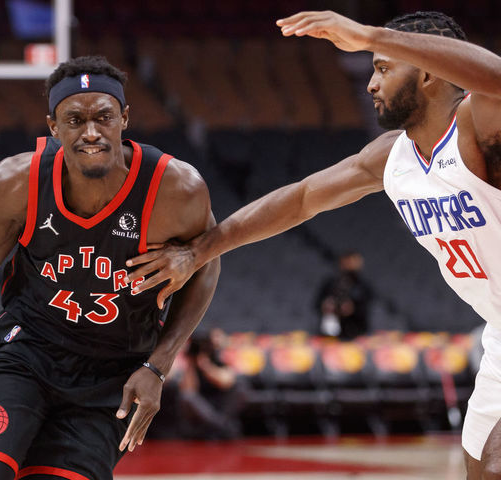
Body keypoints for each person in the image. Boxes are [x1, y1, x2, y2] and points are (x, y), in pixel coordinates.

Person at [125, 11, 501, 479]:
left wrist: (369, 35)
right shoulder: (391, 157)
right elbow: (301, 199)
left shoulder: (478, 123)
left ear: (426, 71)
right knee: (482, 471)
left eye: (383, 67)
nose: (370, 85)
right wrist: (200, 250)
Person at [0, 55, 220, 480]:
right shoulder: (20, 180)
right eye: (74, 120)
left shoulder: (176, 189)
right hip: (25, 353)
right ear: (53, 126)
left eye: (103, 117)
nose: (91, 132)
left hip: (111, 375)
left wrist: (158, 365)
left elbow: (208, 263)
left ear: (124, 118)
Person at [315, 251, 372, 339]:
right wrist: (325, 305)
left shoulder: (362, 286)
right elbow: (317, 304)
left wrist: (353, 308)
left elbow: (366, 307)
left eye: (353, 262)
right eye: (347, 262)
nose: (350, 265)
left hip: (356, 333)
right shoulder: (330, 284)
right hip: (330, 332)